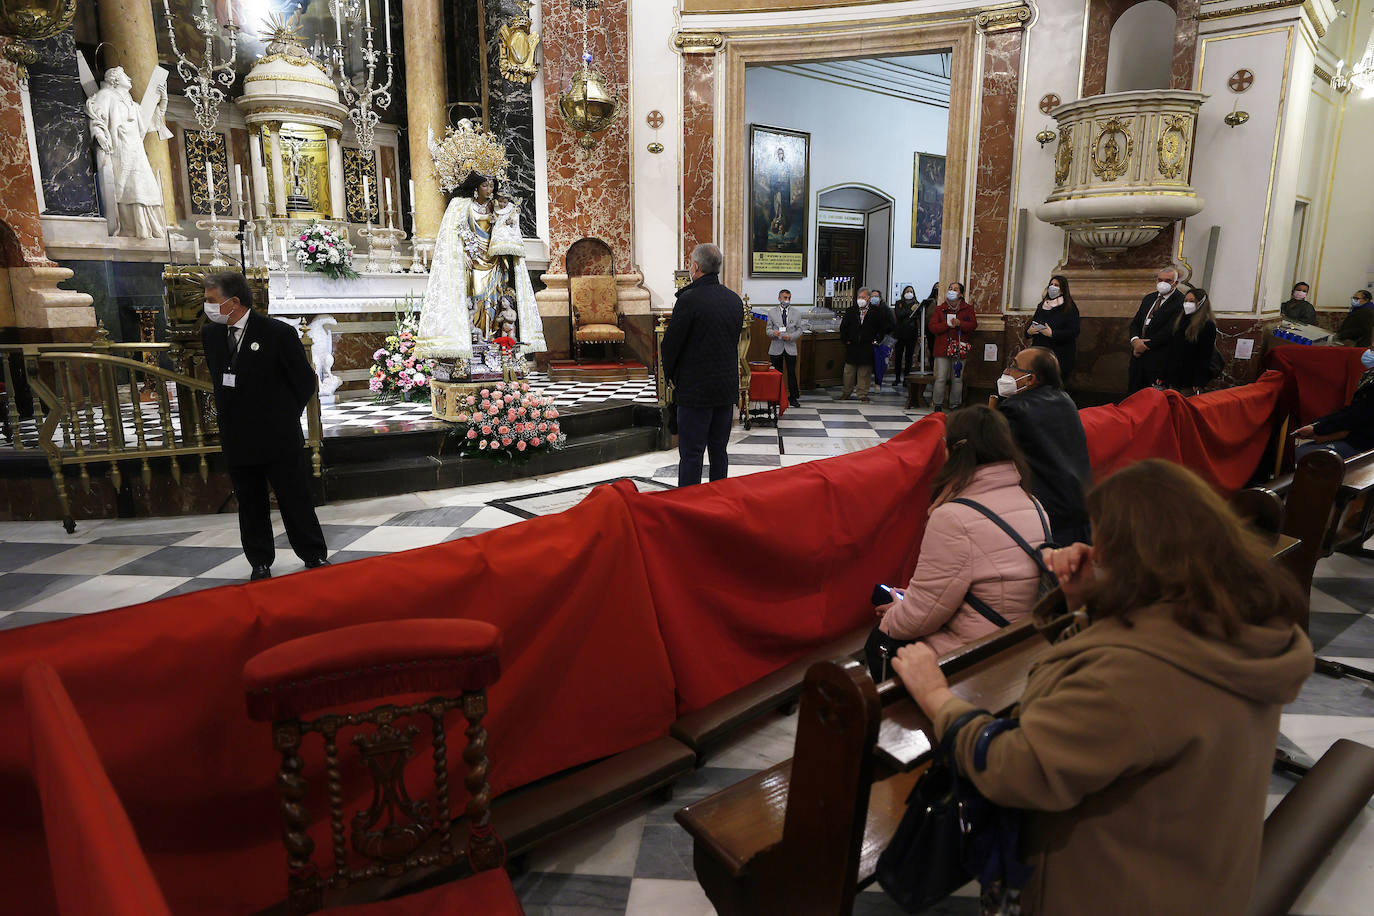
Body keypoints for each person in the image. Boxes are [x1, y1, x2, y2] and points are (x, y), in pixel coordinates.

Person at [891, 459, 1312, 916]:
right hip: (1194, 877)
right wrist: (1083, 602)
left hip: (1115, 891)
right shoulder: (1227, 623)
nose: (1091, 550)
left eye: (1101, 544)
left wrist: (936, 697)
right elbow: (1104, 704)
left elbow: (1019, 769)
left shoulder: (1140, 674)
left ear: (1134, 558)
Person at [866, 406, 1050, 679]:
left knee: (880, 641)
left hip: (977, 652)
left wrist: (895, 613)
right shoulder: (1033, 503)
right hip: (1020, 637)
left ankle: (904, 717)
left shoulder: (954, 517)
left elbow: (919, 618)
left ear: (954, 451)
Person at [202, 272, 329, 581]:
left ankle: (312, 553)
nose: (206, 307)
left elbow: (303, 381)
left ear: (233, 303)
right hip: (237, 436)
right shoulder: (211, 335)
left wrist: (283, 416)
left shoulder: (277, 333)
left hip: (277, 435)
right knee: (250, 501)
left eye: (211, 301)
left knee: (293, 497)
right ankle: (259, 560)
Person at [662, 243, 742, 487]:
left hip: (695, 392)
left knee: (692, 454)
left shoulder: (688, 300)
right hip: (725, 389)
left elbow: (672, 345)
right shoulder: (734, 300)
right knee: (719, 451)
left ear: (695, 267)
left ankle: (689, 504)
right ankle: (720, 500)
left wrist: (672, 378)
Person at [996, 348, 1092, 546]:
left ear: (1031, 380)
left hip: (1047, 513)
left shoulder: (1014, 409)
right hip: (1079, 504)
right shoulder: (1066, 400)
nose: (1007, 371)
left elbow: (990, 449)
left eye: (1014, 366)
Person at [86, 66, 170, 239]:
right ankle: (131, 228)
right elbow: (95, 116)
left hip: (136, 149)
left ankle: (150, 228)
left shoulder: (132, 103)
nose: (130, 79)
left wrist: (163, 103)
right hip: (120, 149)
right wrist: (100, 135)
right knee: (126, 188)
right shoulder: (106, 96)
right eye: (125, 75)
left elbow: (148, 123)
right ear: (114, 79)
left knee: (146, 185)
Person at [1294, 347, 1374, 460]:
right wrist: (1317, 425)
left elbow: (1356, 417)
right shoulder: (1370, 374)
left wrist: (1319, 429)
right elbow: (1352, 410)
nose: (1370, 350)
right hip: (1355, 435)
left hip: (1364, 445)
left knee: (1303, 456)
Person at [1126, 266, 1186, 394]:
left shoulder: (1180, 301)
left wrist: (1145, 345)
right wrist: (1135, 340)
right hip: (1138, 356)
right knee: (1133, 395)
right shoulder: (1149, 298)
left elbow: (1170, 330)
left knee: (1152, 400)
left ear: (1175, 283)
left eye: (1168, 280)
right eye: (1160, 280)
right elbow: (1136, 323)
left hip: (1159, 359)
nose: (1162, 283)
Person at [928, 281, 977, 412]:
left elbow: (973, 325)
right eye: (950, 288)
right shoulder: (940, 309)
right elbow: (932, 327)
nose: (952, 290)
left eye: (955, 289)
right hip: (942, 348)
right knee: (941, 378)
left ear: (961, 294)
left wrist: (960, 323)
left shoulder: (967, 309)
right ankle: (937, 404)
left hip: (959, 348)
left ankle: (955, 404)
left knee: (957, 378)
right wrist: (946, 324)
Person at [839, 288, 893, 402]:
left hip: (867, 345)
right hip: (852, 345)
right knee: (849, 371)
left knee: (864, 371)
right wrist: (845, 340)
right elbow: (843, 327)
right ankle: (846, 392)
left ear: (868, 298)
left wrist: (877, 340)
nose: (861, 300)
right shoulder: (851, 311)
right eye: (859, 297)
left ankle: (862, 394)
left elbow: (882, 328)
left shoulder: (876, 312)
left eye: (863, 297)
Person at [1025, 274, 1081, 382]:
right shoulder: (1042, 305)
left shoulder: (1069, 307)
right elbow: (1033, 323)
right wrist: (1029, 331)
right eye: (1051, 284)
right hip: (1040, 352)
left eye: (1056, 285)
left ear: (1063, 289)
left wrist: (1052, 334)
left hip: (1059, 355)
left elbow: (1074, 331)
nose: (1053, 287)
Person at [1164, 287, 1219, 395]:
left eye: (1192, 301)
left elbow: (1205, 355)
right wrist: (1163, 374)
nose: (1187, 304)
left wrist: (1199, 381)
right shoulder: (1180, 321)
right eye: (1186, 301)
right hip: (1174, 376)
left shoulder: (1207, 325)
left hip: (1190, 379)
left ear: (1201, 303)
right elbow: (1172, 350)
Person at [765, 288, 804, 405]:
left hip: (790, 347)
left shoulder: (796, 313)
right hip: (776, 347)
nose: (787, 300)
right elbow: (768, 330)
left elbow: (800, 330)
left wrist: (791, 336)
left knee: (792, 373)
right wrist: (774, 333)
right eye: (785, 298)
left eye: (789, 298)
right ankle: (775, 398)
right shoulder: (772, 312)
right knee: (776, 374)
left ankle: (793, 397)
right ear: (779, 299)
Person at [892, 285, 920, 386]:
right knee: (898, 357)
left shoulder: (917, 304)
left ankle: (906, 379)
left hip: (911, 334)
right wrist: (911, 310)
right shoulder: (899, 303)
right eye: (907, 291)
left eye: (911, 291)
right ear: (904, 293)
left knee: (909, 357)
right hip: (900, 333)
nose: (909, 293)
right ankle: (897, 378)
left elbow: (918, 317)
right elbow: (899, 315)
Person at [869, 289, 894, 386]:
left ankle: (878, 382)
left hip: (883, 338)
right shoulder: (870, 308)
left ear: (880, 298)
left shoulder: (885, 309)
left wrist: (882, 332)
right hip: (872, 337)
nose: (874, 298)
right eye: (872, 296)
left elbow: (891, 325)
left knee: (880, 362)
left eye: (876, 296)